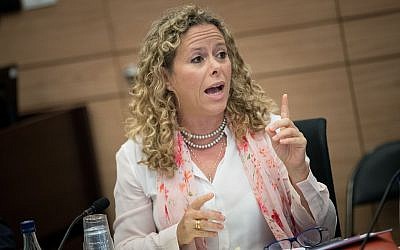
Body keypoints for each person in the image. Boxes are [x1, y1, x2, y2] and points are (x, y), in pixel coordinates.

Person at [113, 4, 337, 250]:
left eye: (221, 54)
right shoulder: (136, 157)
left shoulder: (271, 133)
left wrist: (299, 173)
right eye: (198, 59)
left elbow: (325, 233)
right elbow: (126, 245)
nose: (216, 66)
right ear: (166, 78)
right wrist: (175, 236)